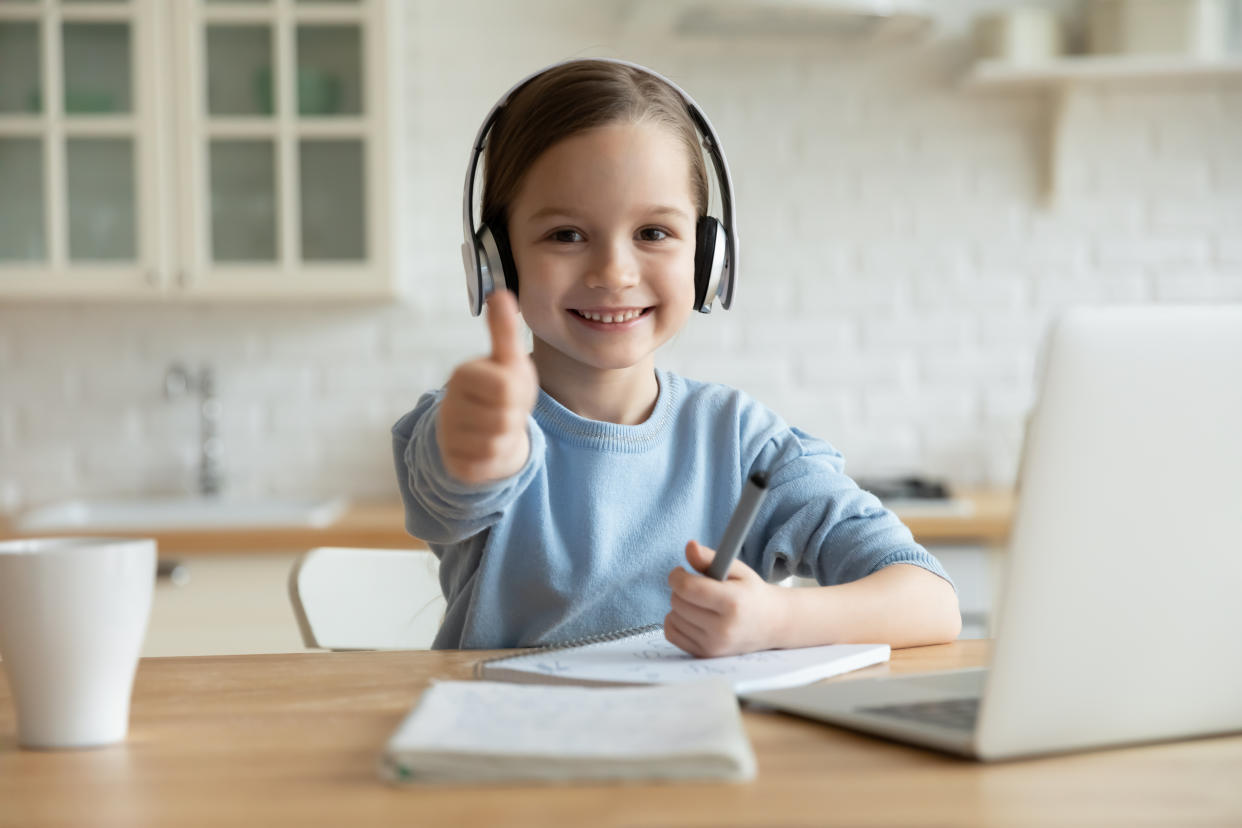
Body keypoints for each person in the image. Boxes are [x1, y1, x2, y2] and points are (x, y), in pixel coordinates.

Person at [392, 59, 961, 654]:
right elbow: (457, 483)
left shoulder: (745, 443)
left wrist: (776, 619)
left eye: (653, 233)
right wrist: (484, 448)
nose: (614, 272)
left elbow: (930, 601)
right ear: (495, 261)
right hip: (508, 742)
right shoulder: (471, 423)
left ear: (706, 257)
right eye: (566, 234)